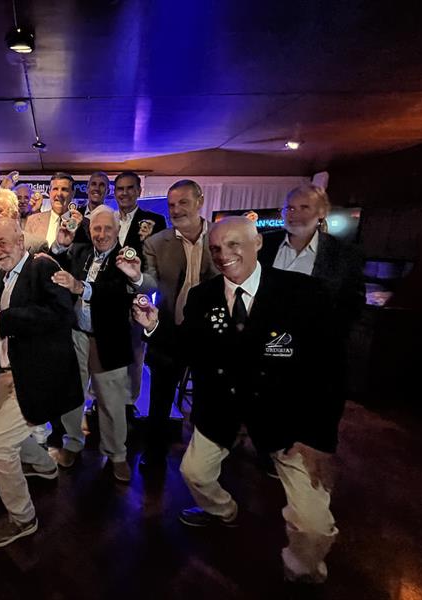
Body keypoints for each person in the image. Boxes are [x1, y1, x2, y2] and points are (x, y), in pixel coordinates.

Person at [135, 216, 340, 584]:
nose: (225, 254)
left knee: (313, 525)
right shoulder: (203, 296)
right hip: (222, 412)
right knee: (193, 473)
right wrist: (153, 326)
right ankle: (223, 510)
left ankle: (303, 568)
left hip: (288, 422)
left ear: (258, 243)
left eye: (234, 244)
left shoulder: (304, 293)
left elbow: (330, 373)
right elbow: (185, 346)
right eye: (217, 248)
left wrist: (321, 440)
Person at [0, 218, 82, 547]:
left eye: (2, 242)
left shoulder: (40, 266)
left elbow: (62, 314)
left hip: (37, 377)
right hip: (7, 372)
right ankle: (45, 466)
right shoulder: (1, 277)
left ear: (21, 240)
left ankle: (23, 518)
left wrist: (6, 317)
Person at [49, 205, 152, 481]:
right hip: (77, 335)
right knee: (72, 396)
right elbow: (52, 268)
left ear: (118, 230)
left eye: (108, 228)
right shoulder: (80, 251)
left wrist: (82, 287)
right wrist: (59, 246)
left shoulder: (128, 257)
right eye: (96, 228)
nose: (102, 233)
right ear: (89, 230)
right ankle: (72, 443)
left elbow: (119, 291)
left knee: (111, 401)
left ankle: (117, 454)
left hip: (110, 339)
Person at [139, 179, 218, 468]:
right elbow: (148, 283)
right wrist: (137, 281)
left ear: (200, 201)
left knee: (208, 402)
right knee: (160, 399)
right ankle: (154, 453)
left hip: (212, 335)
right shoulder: (155, 243)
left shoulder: (221, 237)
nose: (176, 209)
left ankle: (205, 461)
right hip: (170, 332)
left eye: (183, 202)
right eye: (171, 205)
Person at [259, 184, 365, 338]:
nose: (294, 214)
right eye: (290, 208)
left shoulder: (344, 253)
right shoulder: (262, 244)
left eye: (304, 207)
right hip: (263, 339)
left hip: (313, 344)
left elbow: (352, 305)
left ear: (321, 212)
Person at [113, 171, 166, 419]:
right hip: (108, 297)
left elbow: (156, 262)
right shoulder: (107, 219)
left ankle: (128, 402)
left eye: (129, 188)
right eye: (120, 189)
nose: (124, 193)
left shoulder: (154, 220)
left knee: (135, 353)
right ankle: (97, 400)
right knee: (105, 350)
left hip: (137, 295)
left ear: (139, 191)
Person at [24, 172, 88, 247]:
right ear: (49, 192)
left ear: (73, 193)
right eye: (55, 189)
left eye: (64, 189)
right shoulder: (32, 220)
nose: (59, 194)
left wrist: (79, 227)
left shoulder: (84, 224)